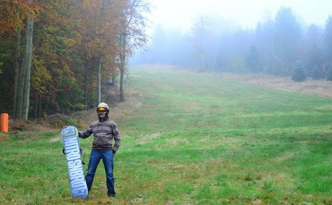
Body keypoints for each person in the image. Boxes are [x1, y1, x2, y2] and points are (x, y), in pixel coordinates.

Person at [78, 102, 121, 198]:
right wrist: (74, 132)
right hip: (95, 151)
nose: (101, 112)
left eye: (103, 110)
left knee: (109, 173)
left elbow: (118, 138)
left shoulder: (112, 124)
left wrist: (114, 150)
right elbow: (85, 134)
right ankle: (84, 194)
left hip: (107, 151)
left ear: (107, 111)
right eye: (99, 110)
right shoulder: (94, 124)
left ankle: (111, 194)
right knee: (90, 173)